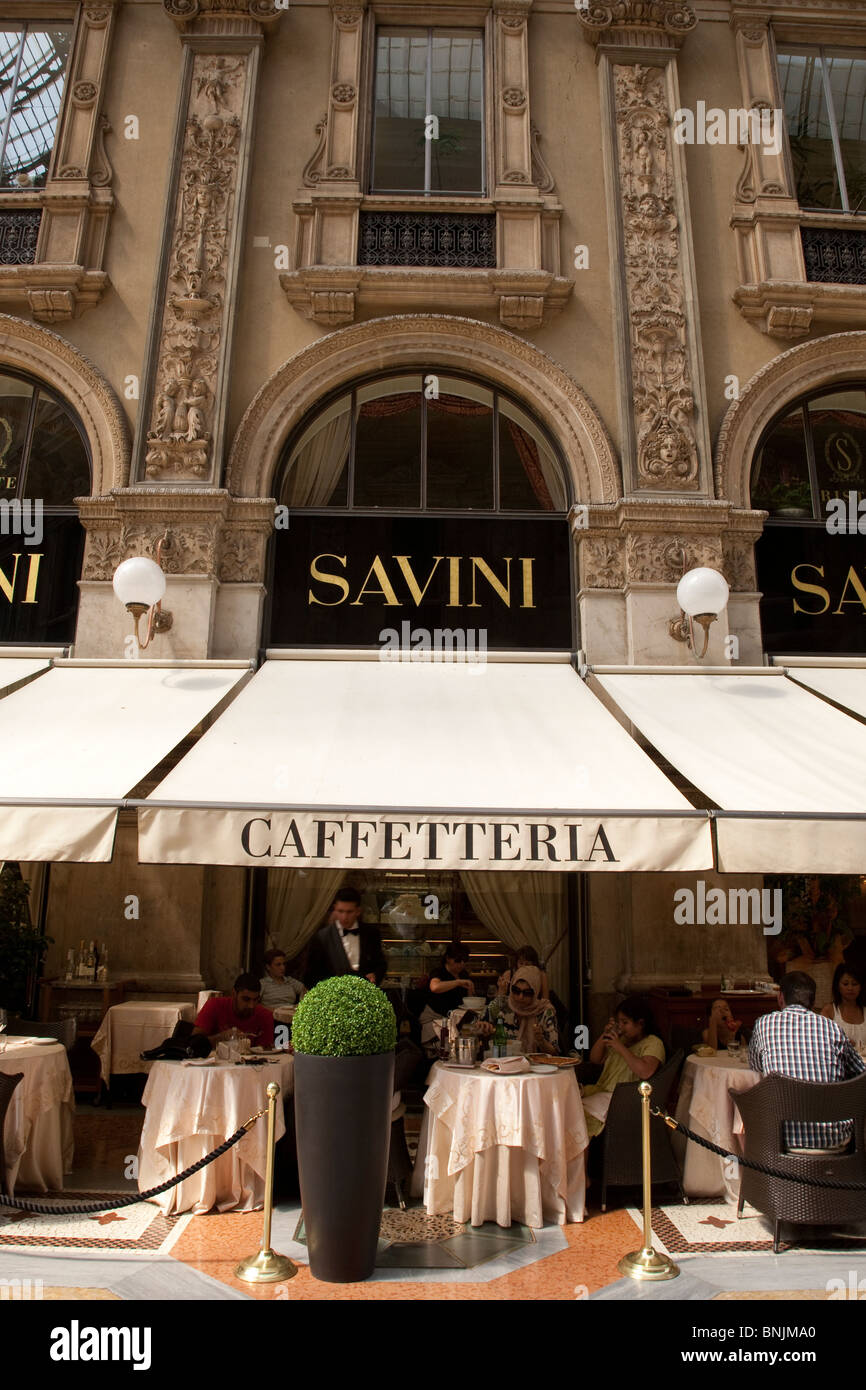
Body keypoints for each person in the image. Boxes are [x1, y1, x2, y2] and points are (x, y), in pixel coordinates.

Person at [749, 971, 865, 1151]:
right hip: (832, 1139)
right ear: (813, 1000)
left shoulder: (764, 1024)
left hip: (779, 1138)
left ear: (780, 998)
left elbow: (756, 1066)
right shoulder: (832, 1028)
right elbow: (861, 1073)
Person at [581, 996, 665, 1139]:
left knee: (580, 1119)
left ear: (640, 1024)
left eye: (625, 1022)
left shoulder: (653, 1043)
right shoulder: (622, 1039)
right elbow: (595, 1058)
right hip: (603, 1092)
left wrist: (619, 1047)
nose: (621, 1027)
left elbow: (645, 1071)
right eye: (618, 1022)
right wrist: (605, 1035)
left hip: (626, 1098)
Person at [305, 886, 387, 986]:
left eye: (349, 912)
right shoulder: (322, 937)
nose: (344, 917)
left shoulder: (371, 934)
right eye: (340, 911)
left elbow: (381, 964)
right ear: (335, 909)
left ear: (358, 911)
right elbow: (311, 974)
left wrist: (375, 975)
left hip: (364, 995)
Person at [478, 965, 559, 1055]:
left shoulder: (545, 1011)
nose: (520, 997)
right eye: (516, 990)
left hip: (535, 1066)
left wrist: (541, 1040)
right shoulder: (501, 1004)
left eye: (527, 993)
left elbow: (554, 1052)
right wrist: (483, 1028)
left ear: (536, 992)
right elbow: (477, 1028)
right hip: (503, 1063)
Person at [193, 973, 275, 1047]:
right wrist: (220, 1037)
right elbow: (193, 1041)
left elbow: (267, 1051)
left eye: (256, 1000)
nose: (251, 1006)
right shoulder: (215, 1005)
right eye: (246, 999)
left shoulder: (265, 1015)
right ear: (234, 994)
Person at [821, 964, 866, 1052]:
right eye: (845, 984)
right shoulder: (829, 1011)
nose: (850, 988)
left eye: (855, 984)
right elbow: (823, 1041)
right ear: (838, 986)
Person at [425, 943, 475, 1014]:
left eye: (465, 960)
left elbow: (469, 998)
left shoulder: (464, 974)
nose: (462, 963)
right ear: (448, 958)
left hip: (455, 1016)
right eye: (458, 960)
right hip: (435, 1016)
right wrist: (458, 982)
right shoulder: (439, 972)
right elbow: (435, 987)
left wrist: (471, 994)